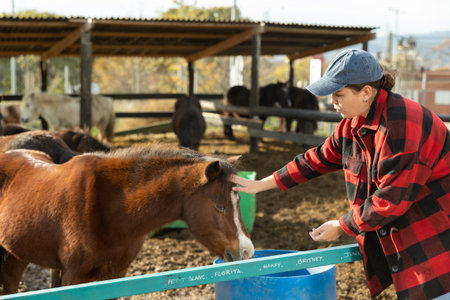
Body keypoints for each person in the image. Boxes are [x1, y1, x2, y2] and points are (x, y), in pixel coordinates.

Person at [230, 49, 450, 300]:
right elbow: (315, 159)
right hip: (409, 229)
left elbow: (390, 200)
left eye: (339, 94)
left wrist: (342, 225)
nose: (332, 101)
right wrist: (260, 184)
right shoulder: (354, 123)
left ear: (366, 92)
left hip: (437, 232)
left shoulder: (403, 124)